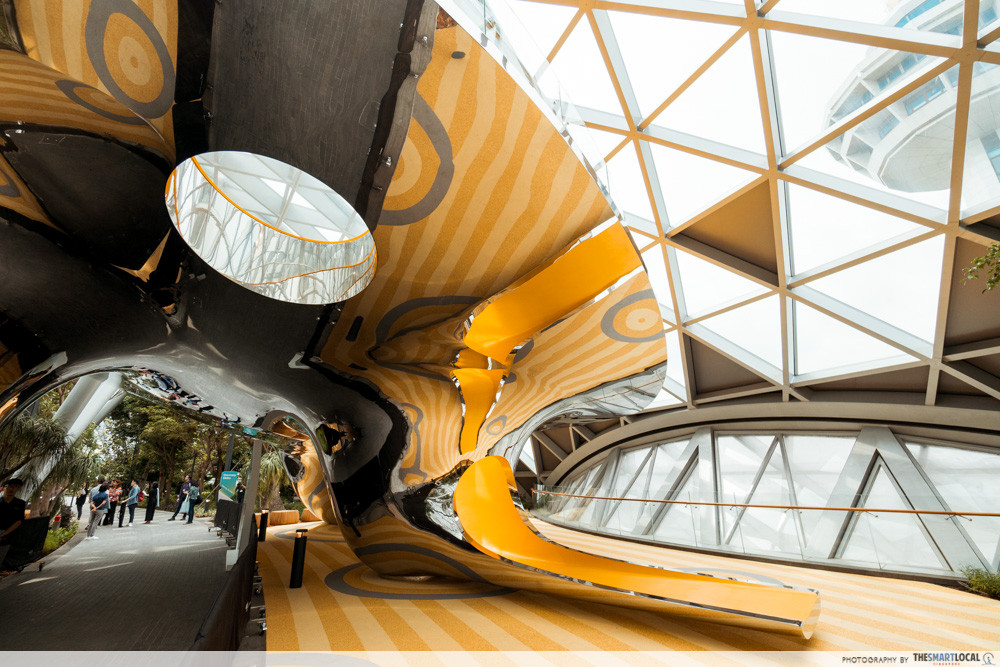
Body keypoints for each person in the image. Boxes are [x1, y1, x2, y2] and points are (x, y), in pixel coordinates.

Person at [0, 478, 27, 547]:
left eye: (16, 487)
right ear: (3, 488)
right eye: (9, 486)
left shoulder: (20, 503)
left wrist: (3, 534)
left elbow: (19, 521)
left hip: (10, 537)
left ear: (18, 489)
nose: (12, 489)